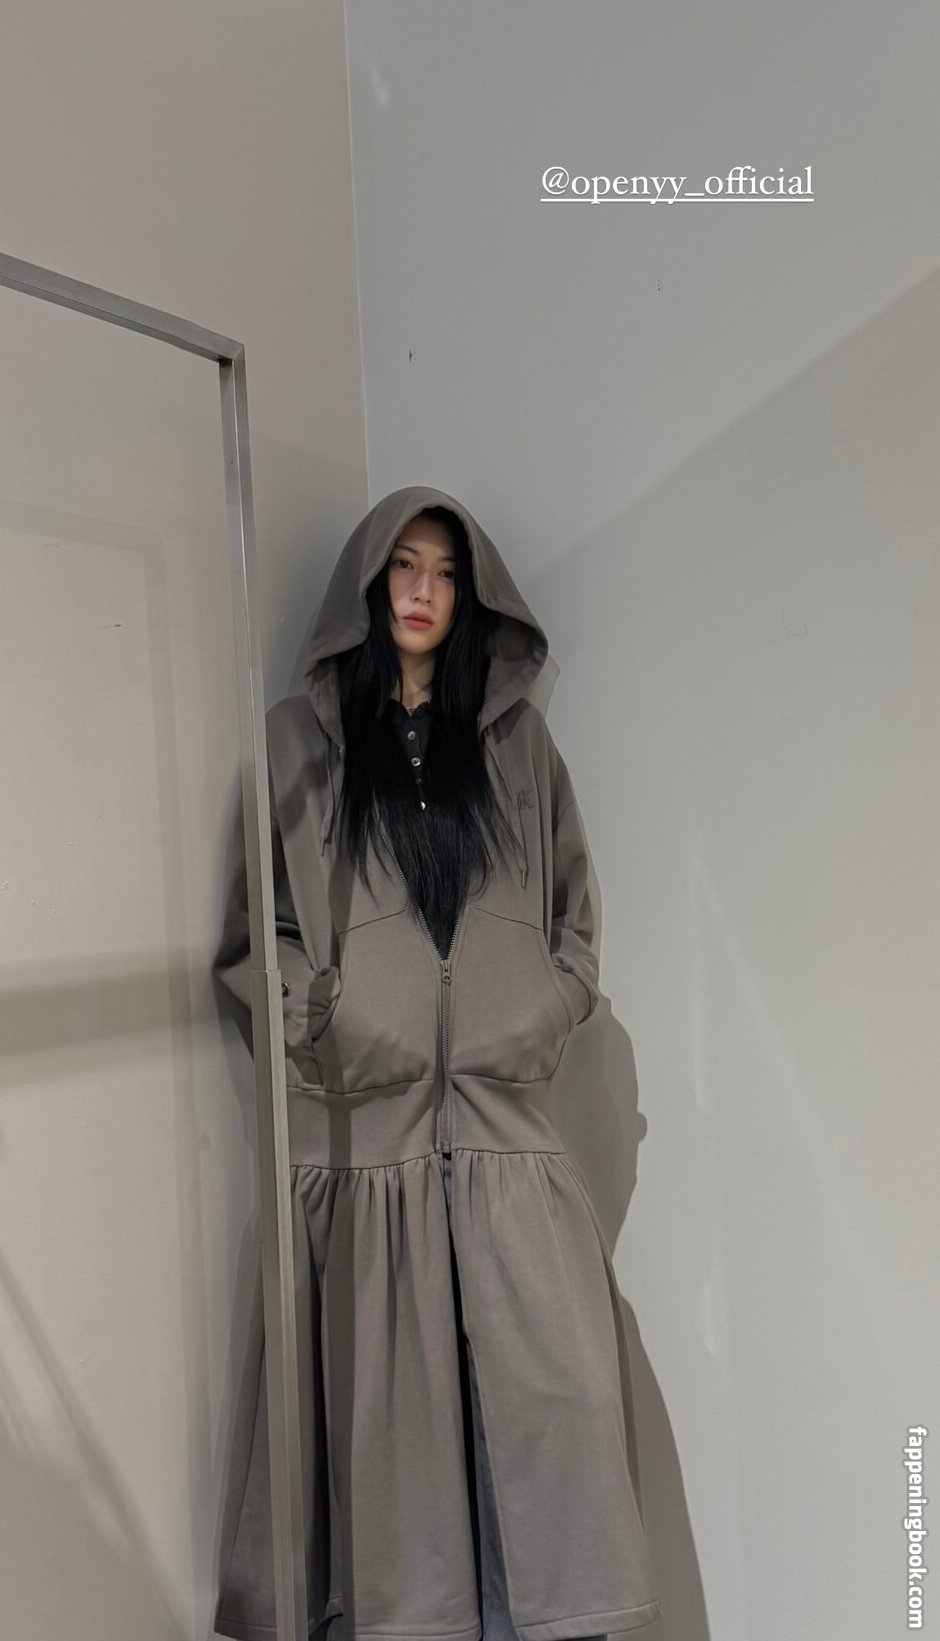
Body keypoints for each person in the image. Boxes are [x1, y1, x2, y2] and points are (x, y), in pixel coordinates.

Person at [212, 486, 660, 1641]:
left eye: (447, 573)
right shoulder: (295, 744)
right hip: (365, 1159)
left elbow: (575, 922)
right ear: (369, 587)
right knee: (394, 1492)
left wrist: (541, 1012)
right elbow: (257, 938)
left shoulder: (516, 746)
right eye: (405, 567)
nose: (423, 591)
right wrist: (329, 1020)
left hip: (512, 1154)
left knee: (552, 1436)